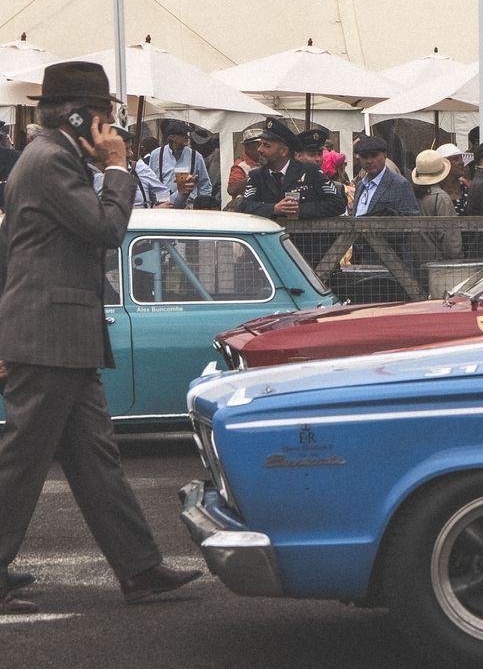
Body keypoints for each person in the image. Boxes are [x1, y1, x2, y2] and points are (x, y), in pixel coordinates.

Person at [0, 60, 200, 614]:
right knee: (21, 461)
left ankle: (138, 567)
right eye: (108, 117)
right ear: (84, 117)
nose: (114, 129)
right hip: (50, 333)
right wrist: (118, 169)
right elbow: (106, 229)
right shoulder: (51, 161)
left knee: (95, 461)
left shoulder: (46, 157)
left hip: (58, 332)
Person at [235, 119, 345, 222]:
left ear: (283, 151)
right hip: (269, 241)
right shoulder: (257, 176)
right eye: (260, 145)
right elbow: (244, 206)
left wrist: (300, 210)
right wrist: (274, 208)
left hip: (303, 241)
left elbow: (337, 204)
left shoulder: (311, 172)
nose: (259, 149)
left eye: (266, 146)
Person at [143, 118, 212, 208]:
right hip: (164, 205)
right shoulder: (156, 154)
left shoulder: (196, 156)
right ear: (172, 137)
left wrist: (201, 206)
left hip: (188, 207)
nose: (187, 137)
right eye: (183, 134)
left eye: (187, 134)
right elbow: (150, 182)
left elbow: (205, 185)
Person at [410, 151, 464, 263]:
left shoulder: (413, 195)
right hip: (439, 263)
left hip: (416, 262)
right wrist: (457, 259)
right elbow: (449, 237)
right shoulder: (441, 198)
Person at [349, 135, 417, 215]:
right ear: (359, 158)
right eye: (364, 157)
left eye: (374, 155)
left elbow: (411, 219)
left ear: (385, 155)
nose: (369, 161)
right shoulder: (360, 185)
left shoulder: (400, 184)